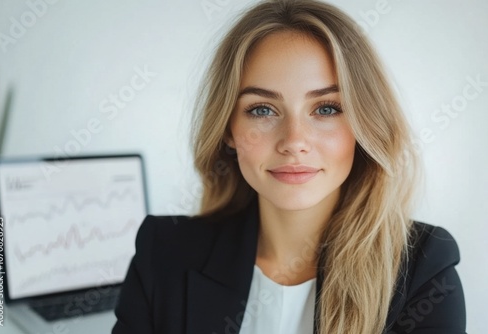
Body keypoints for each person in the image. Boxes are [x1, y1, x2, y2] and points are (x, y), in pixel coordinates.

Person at [112, 0, 466, 333]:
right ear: (228, 130)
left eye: (326, 108)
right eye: (262, 110)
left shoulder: (424, 266)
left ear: (364, 126)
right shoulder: (164, 252)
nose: (295, 140)